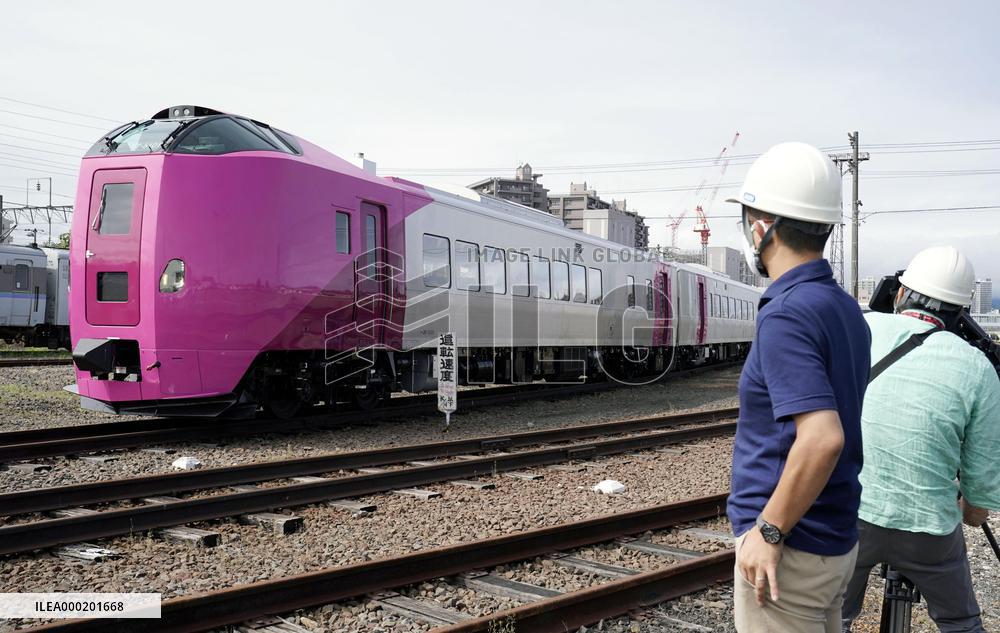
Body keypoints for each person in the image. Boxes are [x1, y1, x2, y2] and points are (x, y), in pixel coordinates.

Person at [725, 142, 871, 632]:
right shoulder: (843, 307)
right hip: (833, 539)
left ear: (761, 226)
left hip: (791, 551)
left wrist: (768, 531)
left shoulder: (787, 312)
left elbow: (823, 437)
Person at [842, 246, 1000, 633]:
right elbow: (982, 484)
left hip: (850, 517)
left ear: (899, 294)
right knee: (961, 622)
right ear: (960, 312)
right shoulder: (977, 367)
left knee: (829, 617)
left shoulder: (857, 331)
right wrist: (970, 511)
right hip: (928, 529)